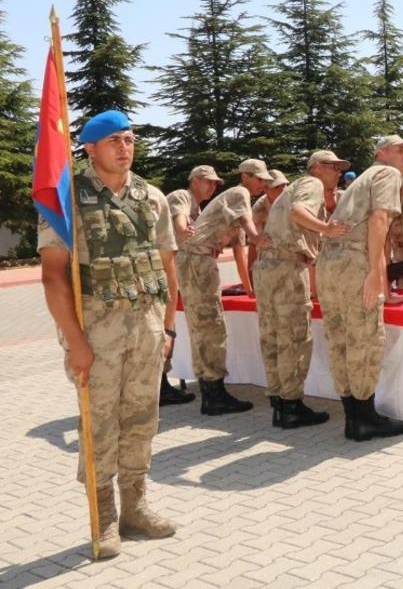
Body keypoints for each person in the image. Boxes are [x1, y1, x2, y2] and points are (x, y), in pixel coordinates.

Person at [39, 110, 178, 558]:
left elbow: (168, 265)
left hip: (148, 328)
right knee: (99, 423)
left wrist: (170, 326)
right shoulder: (69, 200)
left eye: (130, 139)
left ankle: (136, 506)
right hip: (96, 334)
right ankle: (103, 518)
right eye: (114, 140)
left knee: (142, 416)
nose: (125, 147)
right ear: (90, 148)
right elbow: (53, 276)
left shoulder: (151, 197)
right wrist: (75, 342)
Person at [317, 135, 403, 441]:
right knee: (364, 339)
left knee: (341, 340)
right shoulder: (386, 174)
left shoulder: (362, 178)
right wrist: (375, 271)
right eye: (399, 149)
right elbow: (379, 219)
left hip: (330, 264)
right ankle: (365, 418)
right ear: (381, 153)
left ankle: (353, 417)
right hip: (354, 264)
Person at [254, 151, 349, 429]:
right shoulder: (312, 184)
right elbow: (299, 212)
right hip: (285, 268)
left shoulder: (295, 187)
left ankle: (279, 401)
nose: (338, 173)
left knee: (272, 335)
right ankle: (292, 406)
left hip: (267, 267)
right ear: (318, 167)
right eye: (334, 167)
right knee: (294, 337)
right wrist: (326, 229)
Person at [176, 158, 269, 415]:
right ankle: (213, 394)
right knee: (210, 326)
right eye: (260, 179)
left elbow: (239, 248)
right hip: (197, 261)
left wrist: (250, 288)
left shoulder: (232, 201)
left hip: (198, 260)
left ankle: (211, 389)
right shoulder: (239, 194)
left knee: (205, 326)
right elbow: (249, 226)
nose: (264, 184)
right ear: (246, 176)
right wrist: (259, 238)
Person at [161, 165, 224, 406]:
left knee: (170, 328)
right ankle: (159, 386)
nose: (213, 187)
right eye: (208, 182)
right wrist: (182, 228)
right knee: (167, 329)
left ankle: (161, 385)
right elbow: (179, 217)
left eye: (216, 184)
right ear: (194, 180)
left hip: (175, 271)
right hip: (167, 270)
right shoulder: (182, 196)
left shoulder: (198, 207)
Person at [248, 169, 288, 278]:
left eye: (284, 185)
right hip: (271, 255)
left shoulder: (293, 201)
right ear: (265, 189)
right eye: (277, 187)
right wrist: (250, 276)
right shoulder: (258, 209)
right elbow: (254, 244)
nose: (283, 189)